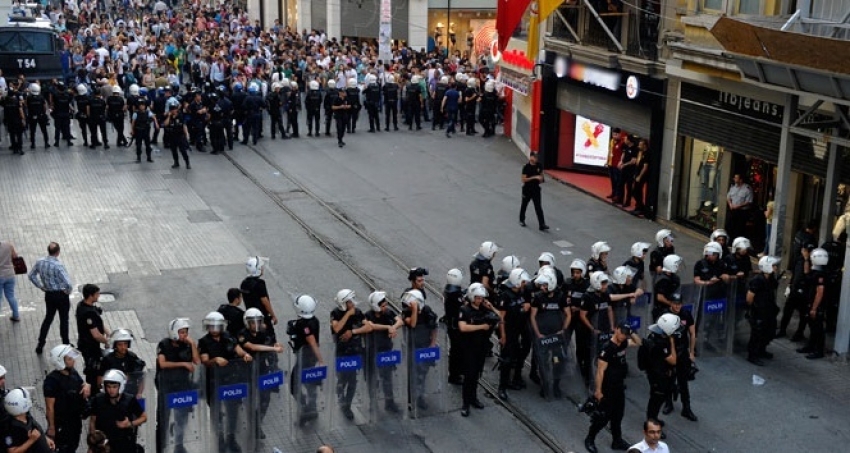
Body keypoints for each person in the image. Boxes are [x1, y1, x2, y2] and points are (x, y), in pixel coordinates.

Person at [198, 311, 252, 452]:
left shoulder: (228, 337)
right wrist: (215, 360)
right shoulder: (204, 342)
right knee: (217, 414)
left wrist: (245, 355)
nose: (214, 329)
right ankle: (220, 439)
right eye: (212, 326)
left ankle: (231, 437)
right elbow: (204, 361)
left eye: (217, 326)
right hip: (214, 383)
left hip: (230, 381)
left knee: (232, 411)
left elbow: (238, 350)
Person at [585, 322, 642, 453]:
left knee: (618, 415)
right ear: (616, 330)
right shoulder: (607, 348)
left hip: (619, 387)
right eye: (621, 332)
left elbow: (638, 343)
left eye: (625, 334)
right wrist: (598, 391)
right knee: (602, 417)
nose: (623, 336)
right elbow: (600, 372)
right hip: (607, 388)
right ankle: (590, 439)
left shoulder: (623, 343)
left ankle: (617, 440)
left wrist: (631, 332)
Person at [238, 308, 284, 439]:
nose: (256, 325)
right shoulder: (242, 334)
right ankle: (254, 425)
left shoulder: (263, 332)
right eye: (253, 322)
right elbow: (252, 347)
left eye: (258, 322)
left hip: (263, 370)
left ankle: (258, 422)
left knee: (265, 398)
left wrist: (275, 345)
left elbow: (270, 344)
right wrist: (273, 348)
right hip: (248, 372)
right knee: (251, 400)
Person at [156, 318, 199, 453]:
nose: (184, 335)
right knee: (163, 419)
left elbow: (197, 361)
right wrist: (183, 364)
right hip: (167, 387)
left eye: (186, 332)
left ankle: (179, 445)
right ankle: (161, 447)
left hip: (183, 386)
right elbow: (162, 364)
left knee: (182, 418)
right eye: (181, 332)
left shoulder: (187, 345)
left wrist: (192, 345)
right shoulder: (164, 344)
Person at [458, 283, 500, 416]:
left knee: (476, 374)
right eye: (477, 298)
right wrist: (481, 326)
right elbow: (463, 327)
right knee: (469, 375)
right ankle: (465, 403)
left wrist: (491, 307)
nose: (480, 300)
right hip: (469, 348)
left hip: (481, 347)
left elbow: (500, 318)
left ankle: (473, 398)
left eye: (481, 298)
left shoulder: (485, 310)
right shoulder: (464, 310)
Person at [330, 289, 372, 420]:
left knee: (353, 380)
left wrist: (353, 332)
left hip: (355, 351)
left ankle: (347, 405)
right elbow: (336, 328)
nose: (353, 303)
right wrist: (348, 314)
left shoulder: (358, 312)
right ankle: (341, 398)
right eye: (349, 301)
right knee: (342, 379)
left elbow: (368, 327)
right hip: (342, 352)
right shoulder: (335, 313)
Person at [529, 272, 571, 398]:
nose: (542, 288)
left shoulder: (561, 297)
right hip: (543, 337)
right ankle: (545, 386)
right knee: (543, 362)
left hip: (557, 337)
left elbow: (568, 314)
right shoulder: (537, 297)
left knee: (558, 362)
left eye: (545, 285)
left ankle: (556, 386)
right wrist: (538, 334)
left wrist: (563, 330)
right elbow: (533, 316)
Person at [44, 345, 90, 453]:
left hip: (75, 421)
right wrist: (51, 427)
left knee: (73, 445)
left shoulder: (72, 372)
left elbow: (81, 384)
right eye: (69, 359)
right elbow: (49, 407)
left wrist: (87, 385)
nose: (73, 361)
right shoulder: (52, 381)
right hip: (62, 424)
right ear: (60, 361)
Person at [29, 242, 73, 354]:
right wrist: (67, 291)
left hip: (49, 295)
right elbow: (68, 283)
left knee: (48, 318)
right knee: (64, 319)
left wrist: (41, 286)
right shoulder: (58, 266)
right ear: (58, 252)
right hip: (61, 295)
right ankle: (66, 343)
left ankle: (40, 343)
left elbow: (31, 275)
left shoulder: (40, 262)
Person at [89, 370, 147, 453]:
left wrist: (130, 424)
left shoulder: (129, 400)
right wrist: (93, 442)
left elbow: (144, 417)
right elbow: (92, 420)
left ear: (121, 386)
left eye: (114, 387)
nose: (111, 390)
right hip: (104, 445)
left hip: (124, 444)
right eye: (108, 387)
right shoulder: (98, 399)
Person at [496, 268, 532, 399]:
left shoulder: (523, 292)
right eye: (522, 282)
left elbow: (528, 301)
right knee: (506, 359)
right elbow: (502, 318)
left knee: (519, 354)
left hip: (521, 328)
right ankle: (502, 387)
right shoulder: (505, 295)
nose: (525, 284)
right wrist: (503, 335)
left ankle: (516, 377)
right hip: (510, 331)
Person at [288, 294, 324, 425]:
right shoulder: (315, 320)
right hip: (310, 358)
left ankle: (305, 409)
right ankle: (312, 408)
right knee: (310, 383)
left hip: (305, 359)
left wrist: (321, 360)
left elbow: (312, 341)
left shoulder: (303, 324)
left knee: (294, 385)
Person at [365, 291, 403, 413]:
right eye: (382, 305)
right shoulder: (368, 315)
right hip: (372, 351)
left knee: (387, 378)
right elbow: (370, 326)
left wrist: (394, 327)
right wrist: (388, 327)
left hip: (386, 350)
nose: (385, 307)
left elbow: (400, 321)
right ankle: (373, 403)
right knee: (373, 379)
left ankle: (389, 402)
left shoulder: (388, 313)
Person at [661, 294, 698, 421]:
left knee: (683, 382)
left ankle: (686, 408)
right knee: (669, 379)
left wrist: (692, 352)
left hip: (683, 352)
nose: (677, 306)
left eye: (679, 303)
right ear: (671, 303)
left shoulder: (686, 314)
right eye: (675, 303)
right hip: (670, 352)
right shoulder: (664, 315)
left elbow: (692, 334)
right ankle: (668, 403)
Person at [402, 289, 438, 411]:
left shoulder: (427, 311)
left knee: (422, 374)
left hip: (424, 347)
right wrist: (414, 310)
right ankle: (410, 399)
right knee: (411, 374)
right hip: (412, 347)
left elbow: (434, 327)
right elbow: (412, 324)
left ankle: (420, 397)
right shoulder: (407, 312)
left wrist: (433, 343)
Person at [643, 313, 679, 425]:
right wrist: (672, 342)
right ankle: (651, 422)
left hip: (655, 372)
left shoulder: (653, 336)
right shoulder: (660, 344)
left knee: (657, 399)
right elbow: (673, 360)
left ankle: (654, 418)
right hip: (658, 377)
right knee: (656, 400)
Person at [746, 256, 782, 365]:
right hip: (759, 312)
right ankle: (752, 355)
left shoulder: (771, 279)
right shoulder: (757, 280)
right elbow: (749, 297)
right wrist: (755, 309)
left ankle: (762, 350)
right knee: (757, 334)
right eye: (774, 266)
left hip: (769, 311)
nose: (776, 268)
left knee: (769, 332)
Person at [777, 242, 814, 341]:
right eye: (805, 250)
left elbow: (807, 272)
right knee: (787, 311)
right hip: (794, 289)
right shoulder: (798, 259)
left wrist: (807, 259)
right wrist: (789, 285)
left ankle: (799, 333)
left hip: (805, 291)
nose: (807, 252)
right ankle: (782, 330)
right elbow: (794, 273)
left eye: (809, 251)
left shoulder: (812, 261)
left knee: (803, 314)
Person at [797, 248, 829, 359]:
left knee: (817, 328)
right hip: (811, 303)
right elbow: (807, 274)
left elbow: (820, 293)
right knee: (812, 326)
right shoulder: (816, 272)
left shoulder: (821, 275)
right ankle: (811, 346)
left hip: (817, 305)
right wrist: (806, 259)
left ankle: (818, 351)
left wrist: (814, 308)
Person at [76, 284, 109, 389]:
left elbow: (99, 323)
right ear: (91, 296)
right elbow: (96, 335)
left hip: (90, 345)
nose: (99, 296)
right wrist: (108, 342)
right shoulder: (88, 313)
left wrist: (110, 334)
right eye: (97, 294)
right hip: (89, 347)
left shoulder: (83, 305)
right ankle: (92, 390)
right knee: (92, 369)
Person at [3, 388, 56, 453]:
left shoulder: (26, 415)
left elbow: (36, 430)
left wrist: (45, 439)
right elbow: (12, 451)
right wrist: (32, 440)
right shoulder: (10, 427)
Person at [99, 329, 146, 397]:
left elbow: (141, 378)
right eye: (120, 345)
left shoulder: (132, 357)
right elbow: (100, 379)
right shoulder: (107, 359)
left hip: (130, 392)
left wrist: (139, 393)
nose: (123, 347)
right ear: (115, 345)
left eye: (125, 344)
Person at [241, 256, 278, 338]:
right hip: (262, 316)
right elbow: (265, 301)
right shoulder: (260, 283)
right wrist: (273, 315)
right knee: (269, 337)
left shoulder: (244, 283)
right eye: (261, 267)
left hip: (250, 315)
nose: (262, 269)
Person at [443, 269, 466, 385]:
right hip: (455, 327)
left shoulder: (448, 290)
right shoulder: (455, 294)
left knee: (456, 350)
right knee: (457, 350)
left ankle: (456, 372)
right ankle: (454, 374)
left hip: (452, 325)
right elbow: (462, 303)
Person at [519, 152, 549, 231]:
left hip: (536, 189)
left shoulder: (539, 165)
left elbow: (542, 177)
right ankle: (521, 219)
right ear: (531, 157)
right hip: (527, 189)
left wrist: (541, 178)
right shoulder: (526, 167)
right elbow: (523, 179)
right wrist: (534, 177)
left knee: (538, 207)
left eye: (537, 157)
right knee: (524, 205)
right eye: (534, 157)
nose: (536, 159)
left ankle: (541, 224)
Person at [653, 255, 684, 321]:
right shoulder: (663, 280)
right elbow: (660, 297)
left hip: (671, 309)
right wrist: (672, 304)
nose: (678, 267)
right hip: (662, 310)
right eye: (677, 265)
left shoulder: (674, 277)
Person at [725, 174, 753, 240]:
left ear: (741, 180)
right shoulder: (733, 187)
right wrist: (730, 204)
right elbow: (728, 197)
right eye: (734, 178)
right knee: (729, 226)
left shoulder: (747, 189)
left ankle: (736, 241)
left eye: (736, 178)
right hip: (733, 210)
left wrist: (738, 206)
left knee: (739, 229)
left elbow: (749, 201)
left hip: (742, 212)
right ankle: (729, 241)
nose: (734, 179)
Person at [163, 104, 191, 169]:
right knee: (174, 150)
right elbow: (165, 124)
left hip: (180, 136)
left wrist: (186, 134)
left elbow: (184, 125)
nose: (174, 110)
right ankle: (176, 162)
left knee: (183, 150)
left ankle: (187, 163)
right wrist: (169, 116)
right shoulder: (169, 116)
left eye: (175, 109)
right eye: (173, 109)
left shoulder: (180, 116)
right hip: (172, 136)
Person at [0, 238, 21, 322]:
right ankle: (16, 315)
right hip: (10, 274)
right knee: (11, 296)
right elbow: (15, 257)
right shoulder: (8, 245)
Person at [26, 83, 51, 149]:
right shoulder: (41, 97)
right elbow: (44, 106)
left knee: (32, 131)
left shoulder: (29, 98)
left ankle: (33, 144)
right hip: (41, 115)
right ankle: (46, 143)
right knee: (44, 130)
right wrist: (44, 113)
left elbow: (27, 106)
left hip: (32, 116)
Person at [51, 82, 75, 147]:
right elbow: (70, 101)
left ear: (57, 88)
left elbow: (52, 103)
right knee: (67, 128)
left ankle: (57, 142)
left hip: (58, 114)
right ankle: (69, 141)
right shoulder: (67, 95)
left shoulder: (55, 95)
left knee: (57, 129)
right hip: (66, 114)